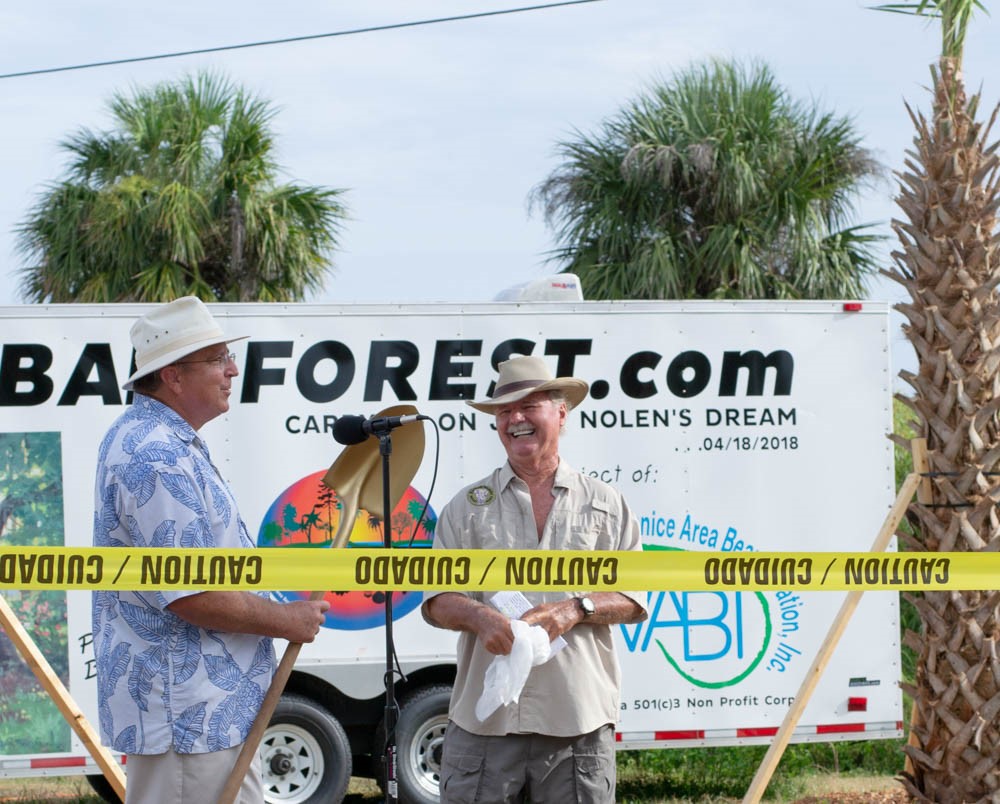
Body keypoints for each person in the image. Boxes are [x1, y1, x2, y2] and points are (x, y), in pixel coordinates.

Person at [92, 297, 329, 804]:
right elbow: (191, 594)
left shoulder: (164, 442)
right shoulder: (157, 455)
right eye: (218, 358)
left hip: (198, 716)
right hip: (187, 717)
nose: (232, 370)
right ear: (174, 376)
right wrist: (286, 620)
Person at [421, 355, 648, 804]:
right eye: (504, 411)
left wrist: (574, 610)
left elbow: (634, 598)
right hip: (486, 723)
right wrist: (479, 616)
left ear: (561, 413)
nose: (516, 419)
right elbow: (436, 598)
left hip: (576, 723)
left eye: (530, 405)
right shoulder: (466, 508)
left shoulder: (606, 503)